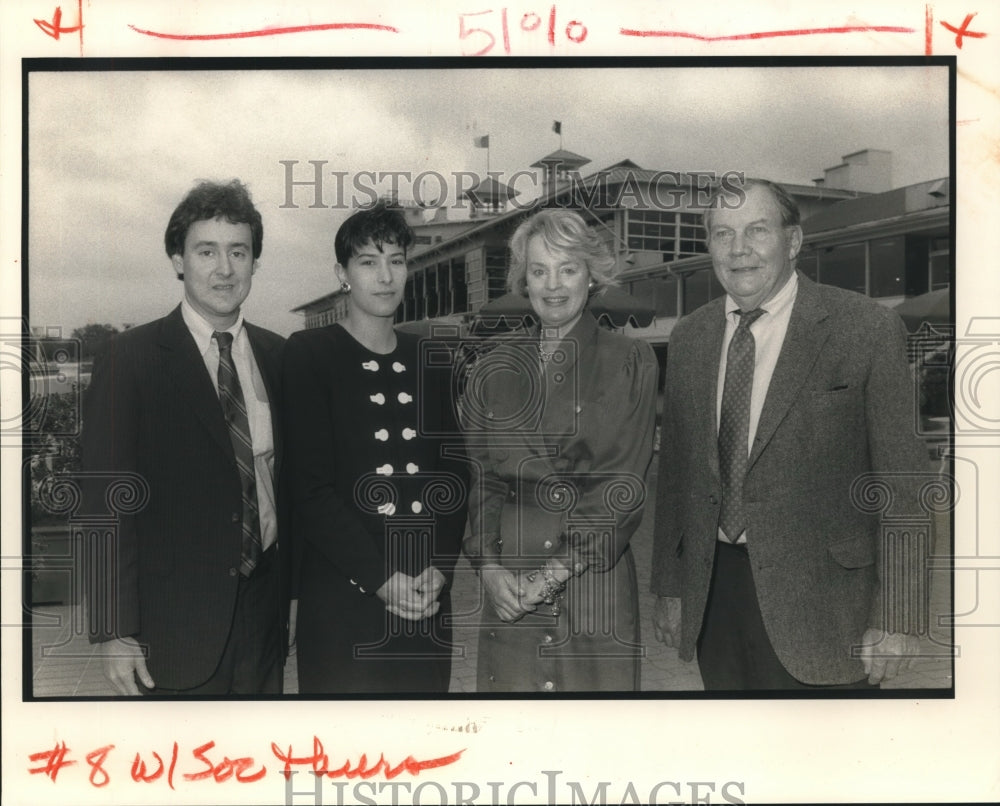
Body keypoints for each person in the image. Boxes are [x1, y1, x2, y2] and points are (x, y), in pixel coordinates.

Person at [650, 178, 929, 690]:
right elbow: (676, 478)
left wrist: (900, 616)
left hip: (826, 604)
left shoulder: (864, 328)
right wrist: (670, 587)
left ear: (793, 242)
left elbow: (905, 485)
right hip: (715, 595)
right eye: (722, 234)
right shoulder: (690, 337)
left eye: (757, 230)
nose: (738, 250)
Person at [83, 179, 289, 695]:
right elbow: (102, 500)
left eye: (238, 252)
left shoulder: (280, 357)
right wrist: (113, 630)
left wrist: (295, 599)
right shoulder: (130, 358)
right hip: (171, 630)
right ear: (178, 260)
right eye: (206, 251)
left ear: (255, 264)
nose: (224, 269)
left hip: (263, 617)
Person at [461, 208, 658, 692]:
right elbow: (479, 477)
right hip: (509, 580)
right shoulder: (494, 365)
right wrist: (487, 568)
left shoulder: (630, 360)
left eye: (568, 268)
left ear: (591, 276)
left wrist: (547, 579)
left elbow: (622, 488)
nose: (553, 285)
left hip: (591, 577)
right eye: (539, 270)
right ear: (522, 279)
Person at [282, 202, 468, 694]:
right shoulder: (308, 355)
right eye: (368, 262)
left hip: (425, 598)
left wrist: (441, 566)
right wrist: (379, 578)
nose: (385, 277)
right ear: (342, 274)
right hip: (347, 600)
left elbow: (455, 475)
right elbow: (309, 488)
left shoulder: (432, 358)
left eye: (397, 260)